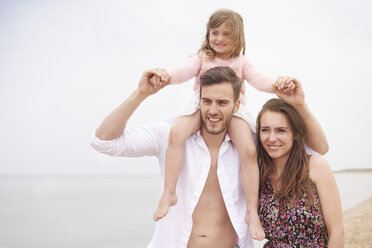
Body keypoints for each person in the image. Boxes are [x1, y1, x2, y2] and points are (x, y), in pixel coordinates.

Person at [90, 66, 328, 247]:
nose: (213, 110)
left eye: (222, 103)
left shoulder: (253, 144)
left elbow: (317, 149)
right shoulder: (170, 135)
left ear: (236, 107)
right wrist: (140, 94)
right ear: (199, 101)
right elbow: (104, 142)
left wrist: (301, 105)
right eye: (207, 101)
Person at [152, 9, 294, 240]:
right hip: (202, 107)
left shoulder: (241, 62)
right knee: (176, 133)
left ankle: (251, 212)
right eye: (214, 33)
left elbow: (260, 80)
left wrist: (278, 84)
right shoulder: (202, 58)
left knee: (248, 149)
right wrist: (165, 75)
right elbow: (182, 72)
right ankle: (169, 193)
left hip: (233, 112)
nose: (218, 39)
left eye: (226, 34)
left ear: (237, 37)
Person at [256, 80, 344, 247]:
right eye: (265, 129)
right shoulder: (259, 174)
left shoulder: (315, 166)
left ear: (295, 133)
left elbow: (337, 233)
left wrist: (300, 104)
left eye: (281, 130)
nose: (272, 138)